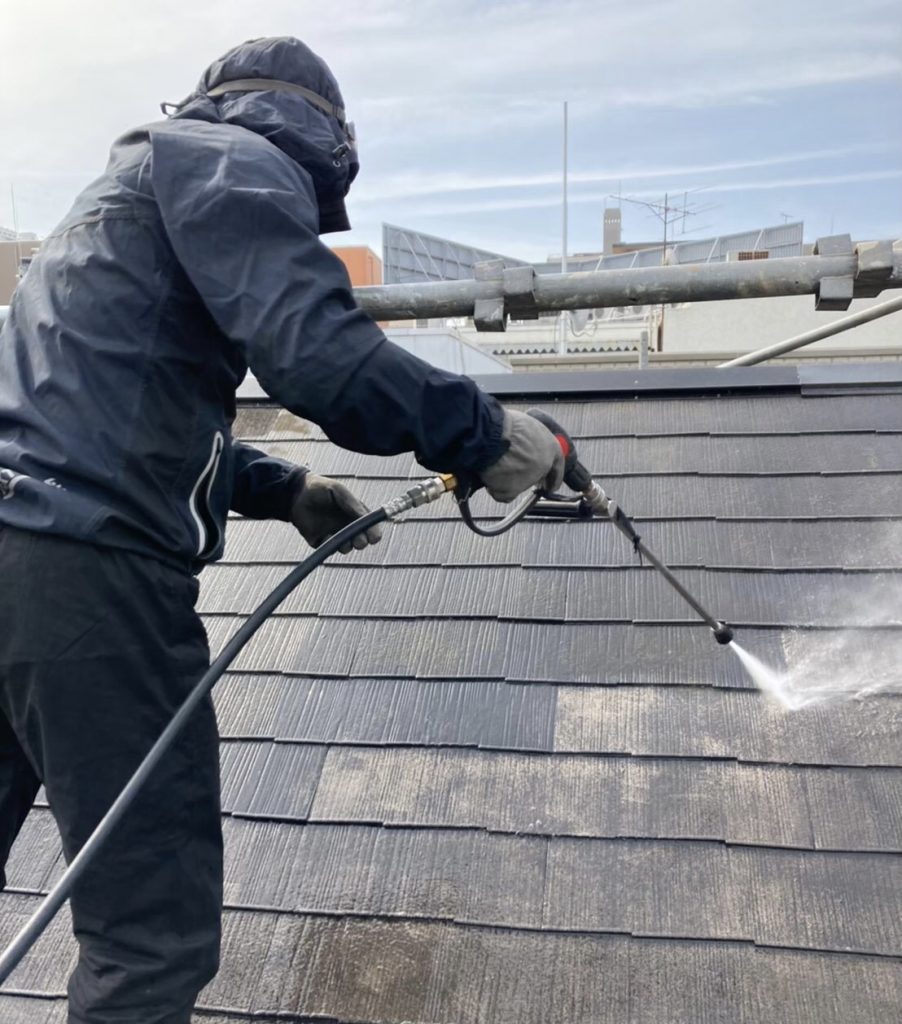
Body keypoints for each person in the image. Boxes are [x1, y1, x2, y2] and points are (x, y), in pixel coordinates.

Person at [0, 35, 563, 1024]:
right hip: (87, 578)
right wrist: (489, 435)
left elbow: (106, 409)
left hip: (20, 541)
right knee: (147, 932)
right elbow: (320, 355)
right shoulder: (234, 162)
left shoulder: (121, 193)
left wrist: (283, 488)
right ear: (324, 144)